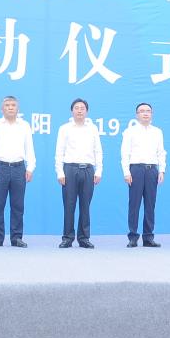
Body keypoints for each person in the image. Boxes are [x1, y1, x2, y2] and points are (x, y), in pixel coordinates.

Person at [0, 96, 35, 248]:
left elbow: (29, 148)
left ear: (18, 109)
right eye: (7, 105)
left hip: (19, 168)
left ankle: (16, 237)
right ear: (2, 109)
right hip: (0, 168)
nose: (10, 107)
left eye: (13, 105)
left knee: (18, 205)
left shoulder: (24, 126)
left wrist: (30, 167)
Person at [54, 98, 103, 249]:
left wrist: (99, 170)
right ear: (72, 111)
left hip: (88, 170)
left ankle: (84, 238)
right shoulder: (65, 128)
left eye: (82, 108)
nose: (79, 110)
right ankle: (67, 238)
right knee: (69, 205)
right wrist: (60, 172)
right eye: (77, 108)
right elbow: (59, 151)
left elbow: (98, 150)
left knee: (85, 205)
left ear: (87, 111)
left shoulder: (92, 129)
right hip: (70, 169)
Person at [121, 102, 166, 248]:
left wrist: (161, 170)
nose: (145, 113)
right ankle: (133, 237)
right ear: (137, 115)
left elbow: (161, 152)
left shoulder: (157, 132)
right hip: (136, 170)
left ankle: (148, 237)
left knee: (150, 205)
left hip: (152, 170)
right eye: (142, 111)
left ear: (152, 114)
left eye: (148, 111)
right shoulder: (130, 132)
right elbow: (125, 153)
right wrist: (126, 172)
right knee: (134, 204)